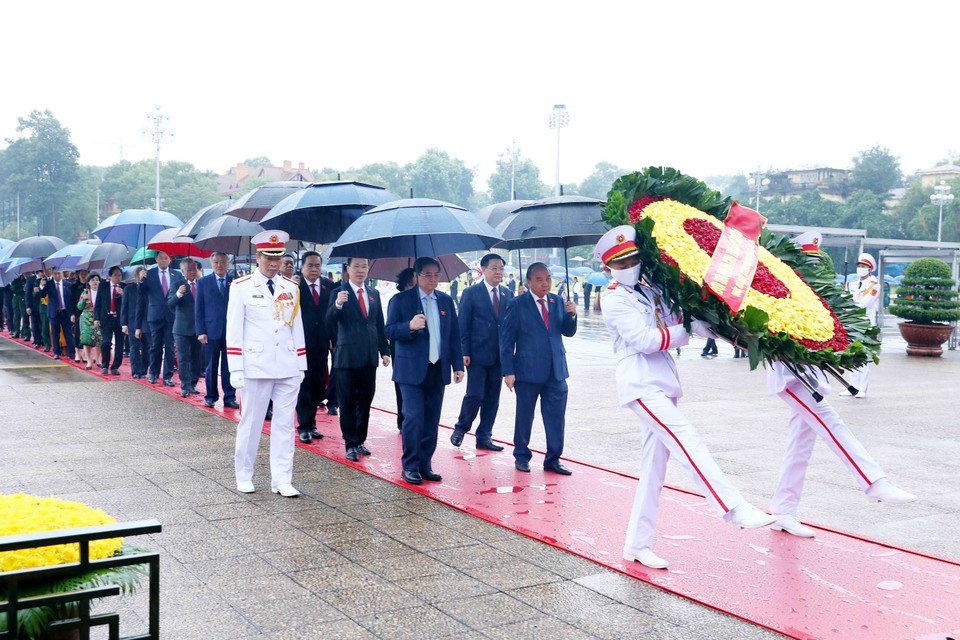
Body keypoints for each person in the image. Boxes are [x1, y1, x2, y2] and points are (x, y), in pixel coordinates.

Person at [595, 225, 776, 570]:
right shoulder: (614, 297)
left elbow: (684, 320)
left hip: (662, 382)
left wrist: (730, 333)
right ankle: (734, 507)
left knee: (653, 470)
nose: (630, 265)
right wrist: (689, 328)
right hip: (640, 382)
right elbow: (646, 340)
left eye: (633, 258)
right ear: (608, 269)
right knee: (686, 438)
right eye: (621, 263)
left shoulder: (650, 290)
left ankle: (637, 544)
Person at [227, 230, 307, 497]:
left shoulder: (291, 287)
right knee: (251, 423)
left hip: (287, 364)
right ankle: (244, 474)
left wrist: (301, 363)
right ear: (258, 257)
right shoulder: (241, 287)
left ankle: (282, 479)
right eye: (268, 258)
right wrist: (235, 368)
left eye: (278, 258)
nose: (274, 264)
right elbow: (234, 330)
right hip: (255, 365)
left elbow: (297, 328)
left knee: (284, 425)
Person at [386, 257, 464, 484]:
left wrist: (457, 366)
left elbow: (453, 336)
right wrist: (408, 326)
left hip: (437, 369)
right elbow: (389, 331)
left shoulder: (446, 301)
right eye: (427, 274)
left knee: (431, 419)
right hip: (410, 370)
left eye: (436, 274)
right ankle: (409, 465)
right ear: (416, 276)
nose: (433, 279)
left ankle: (425, 464)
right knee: (414, 417)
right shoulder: (401, 301)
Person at [500, 262, 578, 475]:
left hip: (556, 370)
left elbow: (567, 332)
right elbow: (506, 340)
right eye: (539, 279)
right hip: (527, 370)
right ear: (528, 281)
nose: (545, 283)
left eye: (548, 279)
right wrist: (508, 371)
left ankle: (553, 459)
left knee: (556, 417)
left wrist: (571, 315)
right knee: (525, 416)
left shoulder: (558, 301)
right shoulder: (517, 304)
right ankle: (522, 455)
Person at [325, 257, 391, 461]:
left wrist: (385, 350)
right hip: (347, 356)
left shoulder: (374, 294)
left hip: (369, 356)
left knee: (365, 399)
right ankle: (350, 443)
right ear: (348, 269)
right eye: (356, 266)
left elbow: (379, 324)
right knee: (347, 401)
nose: (361, 270)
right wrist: (338, 305)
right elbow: (328, 321)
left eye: (364, 266)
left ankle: (361, 440)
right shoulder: (338, 293)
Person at [450, 253, 511, 451]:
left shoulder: (508, 294)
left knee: (493, 398)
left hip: (499, 356)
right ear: (483, 270)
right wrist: (463, 352)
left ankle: (484, 436)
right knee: (475, 394)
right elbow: (463, 325)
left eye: (501, 268)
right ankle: (461, 428)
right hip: (476, 355)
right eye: (494, 268)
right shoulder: (471, 293)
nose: (498, 272)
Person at [295, 251, 334, 443]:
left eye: (317, 265)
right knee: (305, 385)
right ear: (302, 267)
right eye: (310, 265)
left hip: (322, 343)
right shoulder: (296, 286)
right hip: (301, 344)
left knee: (319, 384)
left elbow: (333, 315)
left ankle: (312, 424)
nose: (314, 269)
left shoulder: (328, 286)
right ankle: (303, 425)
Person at [195, 252, 238, 409]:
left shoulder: (235, 281)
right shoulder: (203, 282)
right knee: (211, 366)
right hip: (210, 331)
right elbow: (198, 309)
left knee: (229, 366)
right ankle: (211, 396)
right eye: (216, 262)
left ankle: (230, 396)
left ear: (227, 264)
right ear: (211, 264)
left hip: (231, 331)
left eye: (222, 262)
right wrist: (201, 331)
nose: (219, 265)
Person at [139, 252, 180, 386]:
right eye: (160, 258)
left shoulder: (177, 274)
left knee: (170, 346)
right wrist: (141, 280)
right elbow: (141, 291)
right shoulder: (149, 273)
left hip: (171, 315)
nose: (163, 260)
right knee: (155, 346)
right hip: (155, 315)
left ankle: (167, 376)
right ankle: (153, 372)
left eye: (166, 258)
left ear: (170, 260)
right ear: (156, 259)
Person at [845, 252, 880, 397]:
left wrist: (849, 303)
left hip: (866, 325)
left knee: (865, 356)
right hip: (852, 323)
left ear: (870, 269)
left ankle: (862, 388)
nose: (860, 268)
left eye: (864, 266)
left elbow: (864, 304)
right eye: (859, 265)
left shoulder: (874, 286)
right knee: (852, 354)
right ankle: (852, 386)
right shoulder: (851, 284)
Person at [169, 258, 203, 398]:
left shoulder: (202, 284)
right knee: (183, 358)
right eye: (189, 269)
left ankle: (193, 384)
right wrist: (179, 294)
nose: (193, 271)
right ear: (183, 271)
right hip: (182, 328)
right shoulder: (177, 285)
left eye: (195, 268)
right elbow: (170, 304)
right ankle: (185, 386)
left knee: (197, 358)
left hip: (199, 328)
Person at [388, 268, 418, 431]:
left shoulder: (421, 299)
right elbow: (389, 329)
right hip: (400, 348)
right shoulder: (397, 300)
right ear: (410, 279)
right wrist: (408, 326)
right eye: (417, 275)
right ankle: (402, 420)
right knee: (402, 386)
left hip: (419, 351)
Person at [94, 266, 125, 375]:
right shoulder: (103, 286)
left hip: (120, 319)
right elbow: (98, 304)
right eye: (115, 275)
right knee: (106, 342)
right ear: (110, 276)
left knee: (120, 344)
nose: (118, 277)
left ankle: (115, 366)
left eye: (120, 275)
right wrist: (96, 318)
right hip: (106, 318)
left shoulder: (124, 287)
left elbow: (128, 304)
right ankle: (105, 364)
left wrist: (123, 295)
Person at [121, 267, 150, 379]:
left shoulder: (148, 288)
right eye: (141, 274)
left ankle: (144, 370)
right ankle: (136, 371)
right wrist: (124, 324)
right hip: (132, 321)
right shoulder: (129, 288)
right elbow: (124, 307)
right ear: (136, 276)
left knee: (146, 347)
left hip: (146, 321)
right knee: (134, 347)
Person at [41, 271, 75, 361]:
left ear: (62, 274)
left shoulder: (67, 284)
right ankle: (56, 352)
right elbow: (42, 295)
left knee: (68, 332)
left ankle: (72, 352)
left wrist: (72, 313)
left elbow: (71, 300)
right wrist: (42, 286)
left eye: (59, 273)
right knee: (55, 333)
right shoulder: (49, 284)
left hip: (65, 312)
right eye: (55, 274)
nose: (57, 275)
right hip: (54, 312)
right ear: (52, 274)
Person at [76, 273, 102, 370]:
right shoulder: (85, 292)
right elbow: (79, 306)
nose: (95, 282)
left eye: (96, 280)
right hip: (87, 317)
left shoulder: (102, 292)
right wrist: (84, 300)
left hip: (99, 317)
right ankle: (89, 361)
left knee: (100, 338)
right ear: (89, 282)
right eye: (92, 280)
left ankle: (98, 358)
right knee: (86, 339)